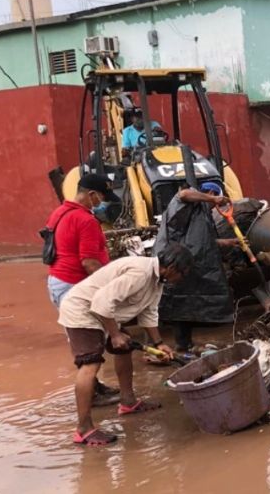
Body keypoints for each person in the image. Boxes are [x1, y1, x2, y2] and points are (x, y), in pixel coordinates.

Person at [58, 242, 193, 446]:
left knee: (124, 348)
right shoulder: (140, 273)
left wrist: (159, 344)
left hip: (104, 314)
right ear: (172, 268)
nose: (181, 280)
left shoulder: (158, 280)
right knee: (90, 364)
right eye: (182, 274)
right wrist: (115, 334)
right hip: (82, 311)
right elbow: (101, 302)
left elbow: (149, 313)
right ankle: (83, 429)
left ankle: (128, 402)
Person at [44, 173, 121, 406]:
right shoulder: (85, 220)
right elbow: (89, 262)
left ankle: (95, 387)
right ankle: (91, 396)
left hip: (58, 282)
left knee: (81, 341)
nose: (102, 202)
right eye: (100, 197)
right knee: (90, 345)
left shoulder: (60, 212)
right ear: (91, 194)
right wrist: (109, 285)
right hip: (74, 285)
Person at [154, 182, 237, 353]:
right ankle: (162, 344)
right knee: (174, 303)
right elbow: (184, 194)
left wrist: (229, 242)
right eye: (209, 194)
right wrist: (214, 198)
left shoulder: (202, 213)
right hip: (171, 260)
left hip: (188, 262)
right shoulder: (183, 201)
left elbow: (202, 240)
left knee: (186, 303)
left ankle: (185, 344)